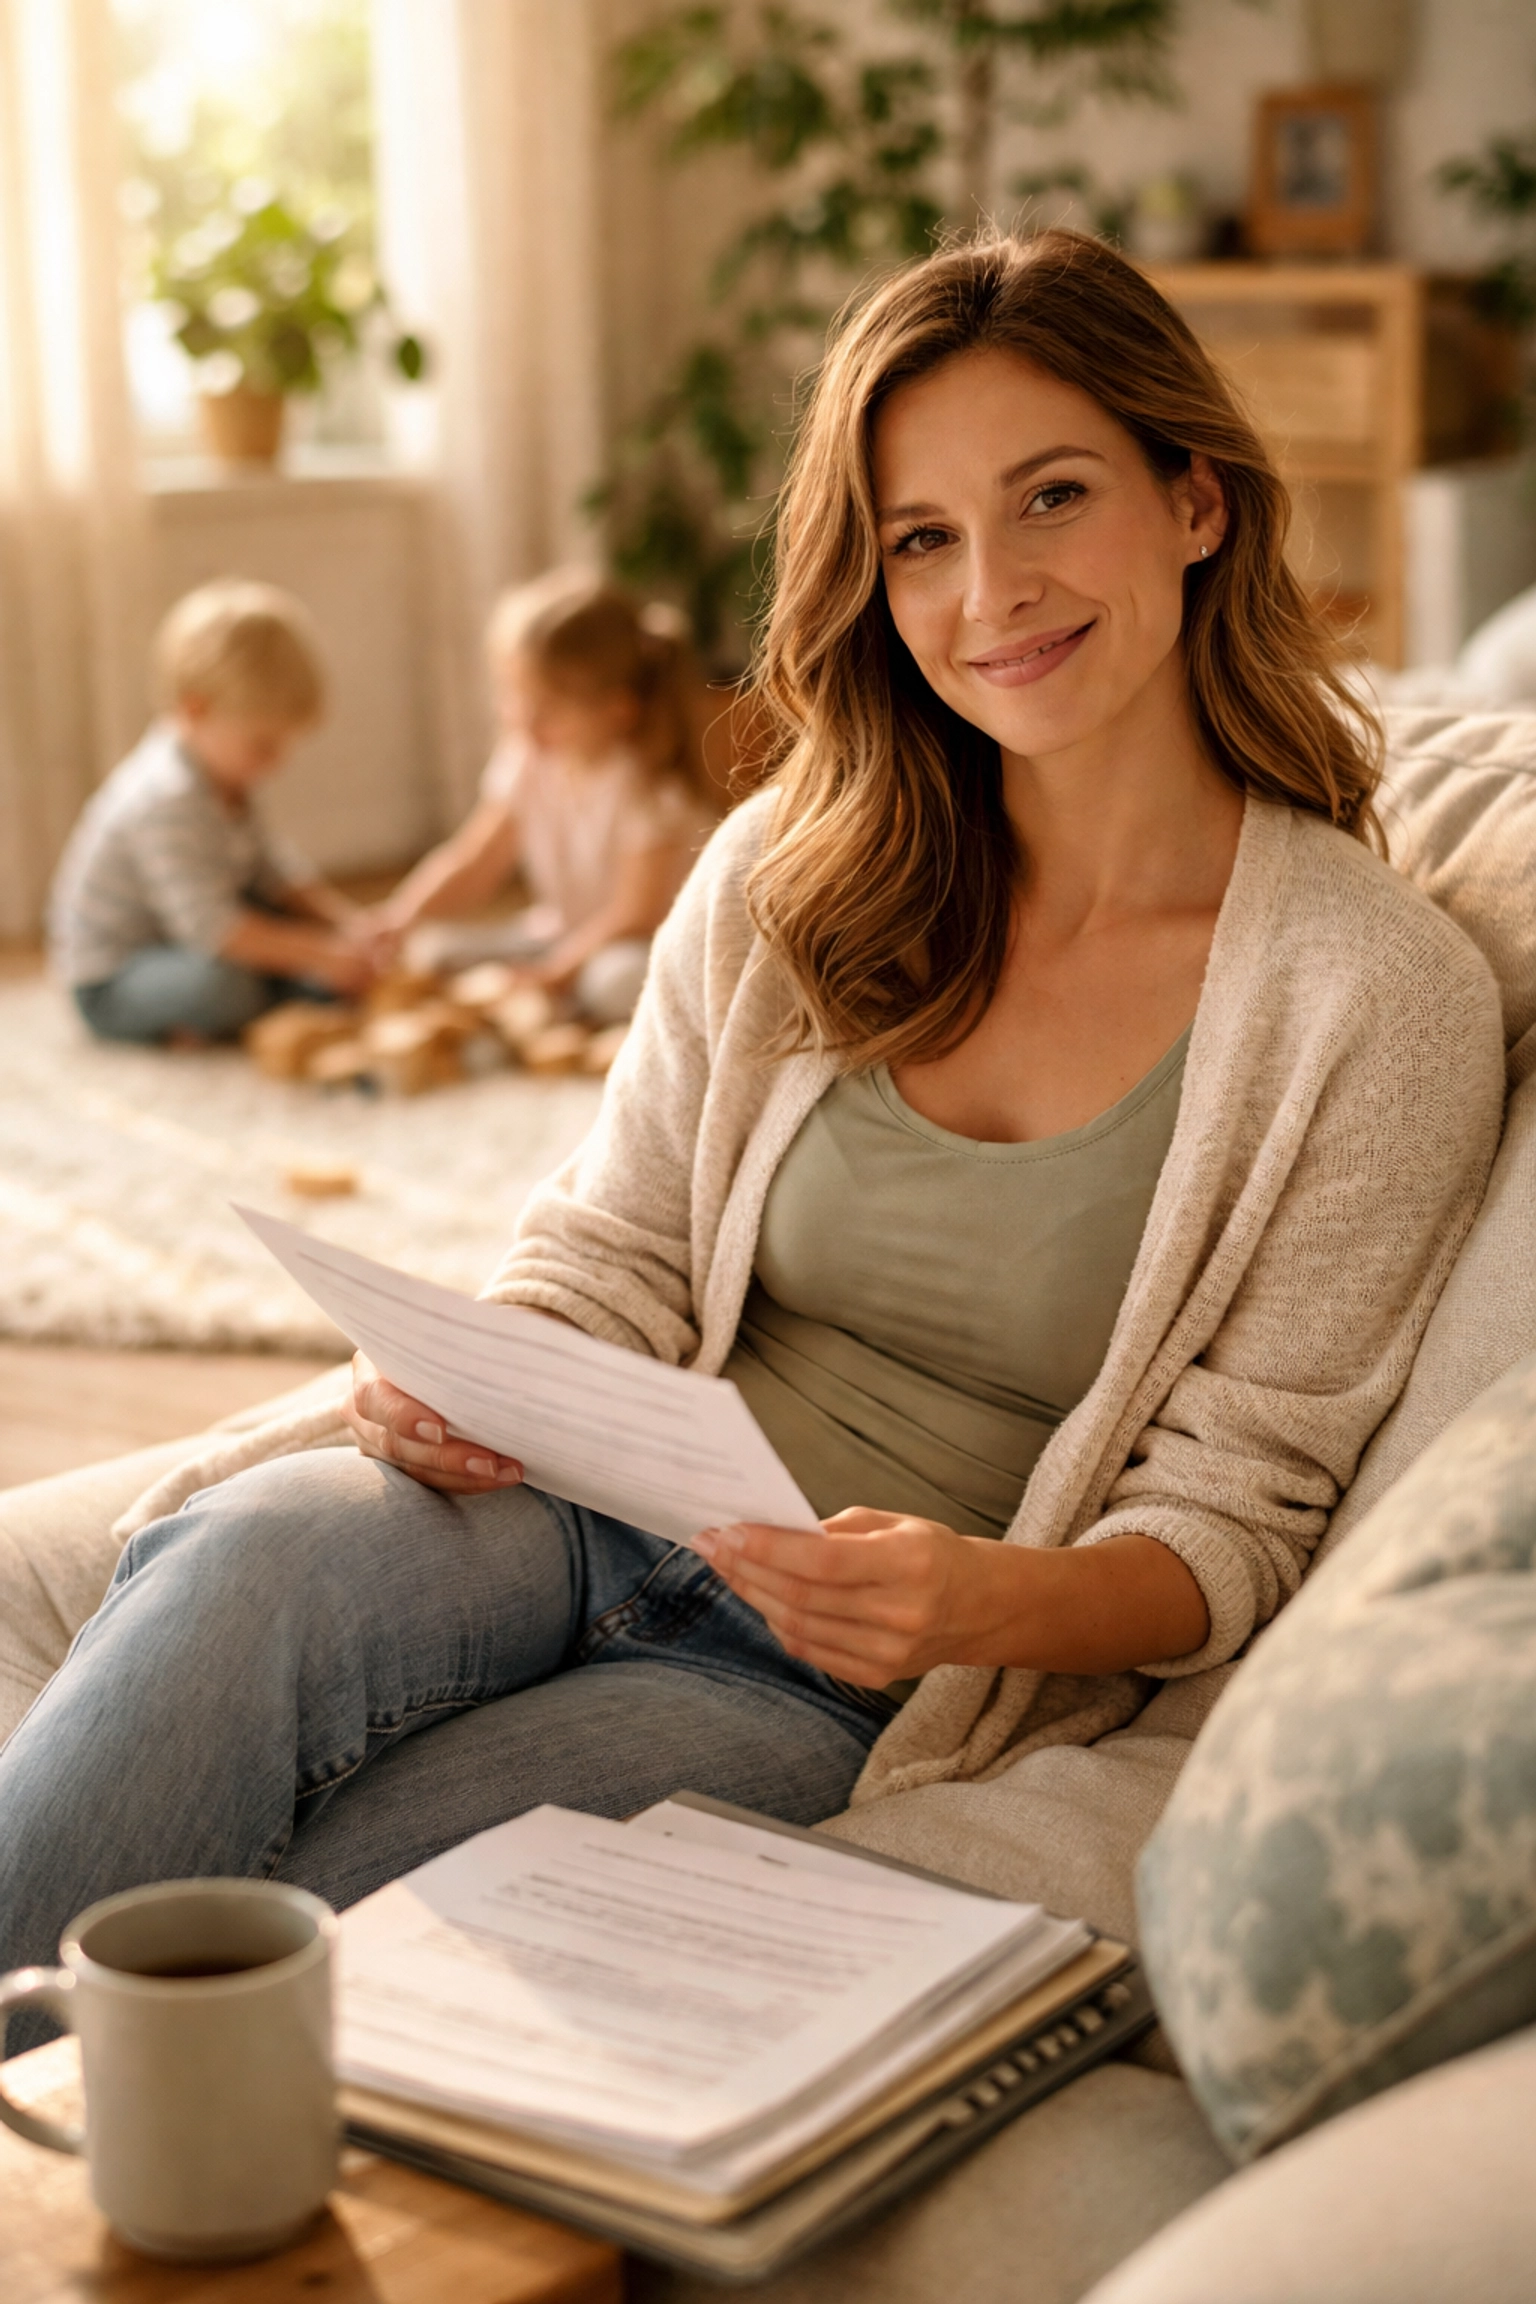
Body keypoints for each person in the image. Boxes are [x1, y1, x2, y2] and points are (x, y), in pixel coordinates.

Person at [0, 233, 1505, 1984]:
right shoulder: (803, 867)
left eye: (1052, 496)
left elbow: (1243, 1511)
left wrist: (978, 1596)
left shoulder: (1374, 998)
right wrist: (476, 1370)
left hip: (829, 1673)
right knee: (252, 1547)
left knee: (354, 1905)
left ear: (1196, 500)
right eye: (921, 538)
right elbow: (614, 1237)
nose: (988, 591)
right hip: (565, 1502)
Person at [375, 570, 721, 1024]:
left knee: (617, 984)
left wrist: (558, 971)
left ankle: (587, 1003)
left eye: (547, 709)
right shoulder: (528, 758)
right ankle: (559, 998)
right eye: (512, 697)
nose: (523, 721)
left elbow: (637, 913)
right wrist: (400, 917)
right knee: (432, 951)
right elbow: (476, 860)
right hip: (560, 933)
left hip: (637, 945)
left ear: (618, 710)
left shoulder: (651, 786)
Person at [48, 580, 384, 1044]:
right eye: (262, 745)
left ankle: (287, 987)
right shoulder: (165, 798)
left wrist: (344, 924)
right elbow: (212, 928)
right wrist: (320, 956)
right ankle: (239, 1004)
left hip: (187, 940)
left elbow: (274, 873)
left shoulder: (228, 777)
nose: (277, 762)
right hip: (117, 976)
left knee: (292, 949)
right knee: (228, 988)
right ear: (196, 710)